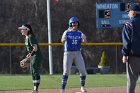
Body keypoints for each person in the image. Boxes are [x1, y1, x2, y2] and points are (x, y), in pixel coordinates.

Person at [60, 16, 87, 93]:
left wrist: (84, 38)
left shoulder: (80, 33)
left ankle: (82, 87)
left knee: (83, 71)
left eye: (76, 23)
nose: (75, 25)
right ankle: (62, 89)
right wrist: (64, 38)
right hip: (68, 53)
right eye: (73, 24)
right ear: (70, 24)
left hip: (78, 53)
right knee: (66, 72)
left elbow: (84, 43)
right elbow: (62, 41)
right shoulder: (66, 32)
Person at [18, 24, 42, 93]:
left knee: (34, 70)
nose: (21, 30)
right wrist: (28, 56)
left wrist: (29, 56)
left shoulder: (30, 37)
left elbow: (35, 48)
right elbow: (32, 50)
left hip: (37, 56)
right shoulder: (27, 38)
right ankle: (35, 89)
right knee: (32, 71)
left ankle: (36, 89)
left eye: (23, 29)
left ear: (27, 30)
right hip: (34, 56)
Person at [122, 4, 140, 93]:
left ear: (133, 12)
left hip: (134, 58)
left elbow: (127, 41)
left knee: (132, 80)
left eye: (129, 12)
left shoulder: (129, 24)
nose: (128, 14)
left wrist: (125, 54)